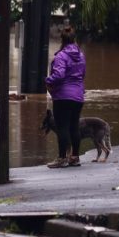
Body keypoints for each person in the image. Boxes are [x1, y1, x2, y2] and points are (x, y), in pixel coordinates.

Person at [45, 25, 86, 168]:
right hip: (78, 96)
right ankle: (75, 157)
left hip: (62, 97)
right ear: (74, 39)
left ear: (61, 39)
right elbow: (82, 75)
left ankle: (62, 158)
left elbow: (59, 75)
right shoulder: (81, 55)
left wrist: (47, 80)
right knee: (74, 126)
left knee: (62, 127)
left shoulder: (61, 56)